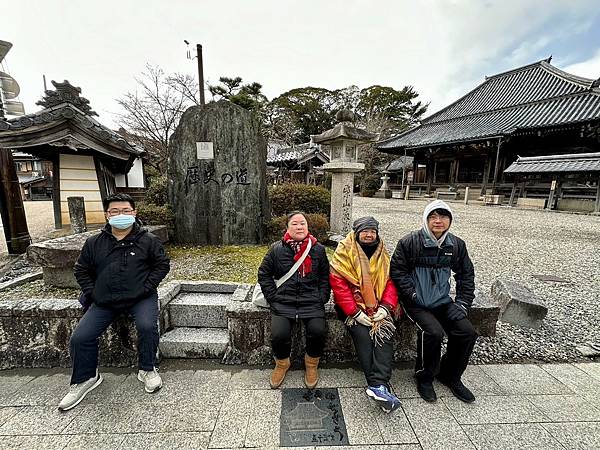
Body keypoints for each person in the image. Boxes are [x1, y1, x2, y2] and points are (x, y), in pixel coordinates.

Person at [58, 193, 170, 411]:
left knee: (147, 326)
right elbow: (81, 269)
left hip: (141, 298)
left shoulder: (148, 240)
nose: (121, 215)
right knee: (81, 337)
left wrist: (147, 288)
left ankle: (147, 368)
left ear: (134, 213)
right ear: (107, 214)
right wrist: (93, 292)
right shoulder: (94, 242)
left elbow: (162, 265)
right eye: (115, 211)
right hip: (104, 300)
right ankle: (85, 378)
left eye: (126, 211)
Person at [390, 199, 477, 403]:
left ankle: (450, 375)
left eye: (443, 216)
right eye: (433, 217)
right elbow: (397, 271)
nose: (438, 221)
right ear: (426, 219)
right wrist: (411, 294)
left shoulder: (456, 245)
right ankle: (425, 377)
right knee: (433, 332)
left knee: (467, 332)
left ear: (450, 220)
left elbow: (466, 274)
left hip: (442, 301)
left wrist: (462, 303)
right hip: (416, 302)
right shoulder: (410, 242)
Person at [330, 217, 402, 413]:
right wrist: (354, 312)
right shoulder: (344, 251)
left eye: (373, 231)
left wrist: (386, 307)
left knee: (384, 335)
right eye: (365, 231)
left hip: (378, 305)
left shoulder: (383, 253)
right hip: (351, 307)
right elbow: (339, 285)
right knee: (363, 335)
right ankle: (380, 386)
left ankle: (378, 387)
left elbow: (390, 282)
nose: (369, 235)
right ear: (356, 232)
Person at [257, 211, 330, 389]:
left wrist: (322, 297)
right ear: (287, 228)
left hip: (311, 301)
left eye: (303, 223)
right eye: (295, 224)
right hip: (283, 301)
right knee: (279, 335)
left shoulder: (318, 249)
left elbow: (325, 277)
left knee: (318, 331)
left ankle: (311, 364)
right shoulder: (276, 249)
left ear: (308, 227)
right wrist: (273, 297)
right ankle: (282, 364)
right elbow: (264, 274)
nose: (299, 227)